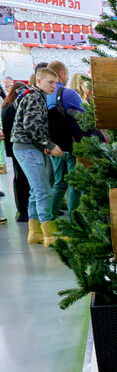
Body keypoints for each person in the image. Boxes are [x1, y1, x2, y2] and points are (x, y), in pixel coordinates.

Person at [10, 68, 63, 246]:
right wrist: (49, 145)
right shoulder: (34, 97)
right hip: (28, 148)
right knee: (43, 191)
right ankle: (49, 234)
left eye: (55, 83)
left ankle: (35, 233)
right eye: (50, 82)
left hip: (26, 148)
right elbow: (31, 125)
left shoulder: (31, 94)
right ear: (38, 81)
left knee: (35, 192)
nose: (54, 86)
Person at [45, 61, 85, 217]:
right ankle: (76, 221)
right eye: (67, 74)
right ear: (61, 74)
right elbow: (84, 118)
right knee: (76, 185)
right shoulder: (69, 94)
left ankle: (50, 217)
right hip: (72, 146)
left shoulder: (45, 95)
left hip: (54, 147)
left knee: (59, 184)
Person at [1, 83, 29, 224]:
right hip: (19, 147)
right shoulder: (14, 108)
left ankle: (22, 209)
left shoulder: (6, 107)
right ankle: (23, 210)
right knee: (22, 179)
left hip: (12, 148)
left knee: (19, 177)